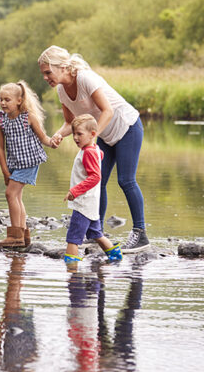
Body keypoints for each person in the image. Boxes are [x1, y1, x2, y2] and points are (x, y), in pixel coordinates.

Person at [38, 45, 150, 253]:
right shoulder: (62, 91)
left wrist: (92, 137)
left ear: (62, 67)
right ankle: (94, 232)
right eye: (43, 73)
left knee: (126, 180)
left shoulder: (85, 78)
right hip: (102, 135)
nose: (45, 77)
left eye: (47, 72)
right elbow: (70, 123)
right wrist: (58, 135)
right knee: (97, 181)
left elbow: (107, 110)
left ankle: (140, 233)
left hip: (127, 127)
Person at [0, 80, 53, 248]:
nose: (3, 103)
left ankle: (15, 236)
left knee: (10, 194)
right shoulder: (2, 122)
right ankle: (24, 235)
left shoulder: (28, 118)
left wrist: (53, 142)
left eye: (7, 99)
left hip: (29, 161)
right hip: (14, 163)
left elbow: (43, 138)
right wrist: (5, 171)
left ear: (19, 100)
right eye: (1, 99)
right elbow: (0, 149)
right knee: (17, 197)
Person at [63, 114, 122, 262]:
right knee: (95, 233)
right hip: (92, 202)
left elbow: (95, 177)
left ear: (93, 134)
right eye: (74, 134)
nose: (75, 137)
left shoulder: (88, 152)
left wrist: (74, 191)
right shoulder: (94, 148)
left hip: (83, 202)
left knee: (73, 237)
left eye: (79, 134)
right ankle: (114, 254)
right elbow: (100, 155)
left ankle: (71, 267)